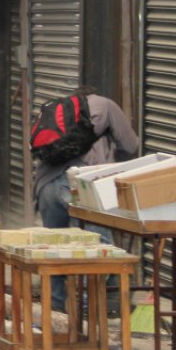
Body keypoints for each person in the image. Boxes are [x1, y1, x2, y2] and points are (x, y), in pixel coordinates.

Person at [34, 87, 139, 309]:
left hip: (45, 186)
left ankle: (57, 315)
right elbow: (131, 145)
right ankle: (88, 315)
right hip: (79, 185)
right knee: (96, 251)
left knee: (56, 252)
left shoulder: (57, 112)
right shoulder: (106, 104)